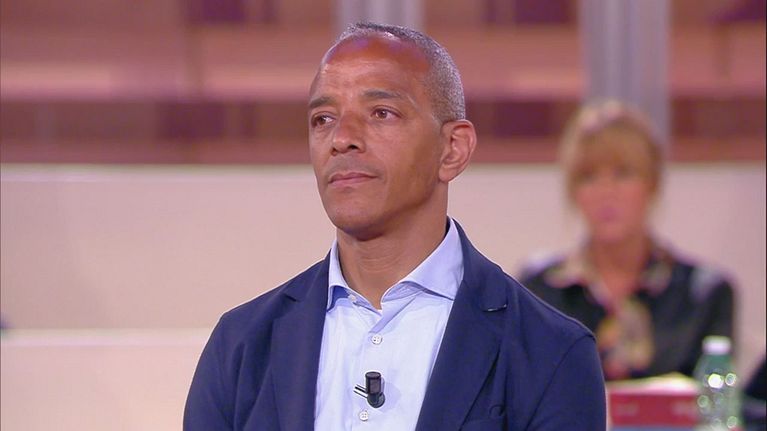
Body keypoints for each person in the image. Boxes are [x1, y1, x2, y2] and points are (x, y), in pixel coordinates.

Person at [184, 22, 606, 430]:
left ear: (452, 149)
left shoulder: (550, 353)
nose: (342, 138)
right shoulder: (240, 347)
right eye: (323, 119)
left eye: (381, 113)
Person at [519, 100, 735, 381]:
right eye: (589, 177)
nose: (606, 192)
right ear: (573, 191)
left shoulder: (704, 294)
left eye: (623, 174)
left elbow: (714, 400)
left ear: (652, 184)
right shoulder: (539, 291)